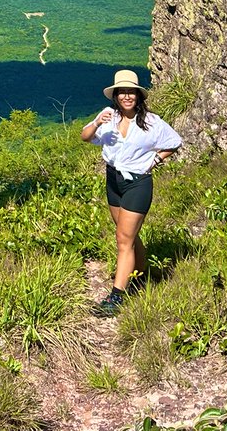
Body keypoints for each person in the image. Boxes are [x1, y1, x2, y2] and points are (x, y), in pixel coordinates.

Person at [80, 68, 182, 317]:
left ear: (138, 96)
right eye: (122, 92)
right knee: (128, 235)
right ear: (116, 96)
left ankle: (116, 298)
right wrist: (97, 122)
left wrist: (155, 160)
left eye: (131, 92)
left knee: (123, 239)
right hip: (113, 180)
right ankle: (142, 274)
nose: (127, 96)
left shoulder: (152, 122)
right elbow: (85, 137)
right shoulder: (108, 118)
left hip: (138, 183)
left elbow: (174, 141)